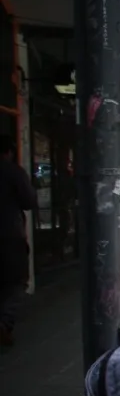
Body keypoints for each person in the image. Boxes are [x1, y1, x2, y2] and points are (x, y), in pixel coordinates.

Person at [0, 134, 37, 348]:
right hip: (9, 235)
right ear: (9, 152)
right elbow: (29, 200)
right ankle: (4, 322)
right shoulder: (13, 172)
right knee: (16, 281)